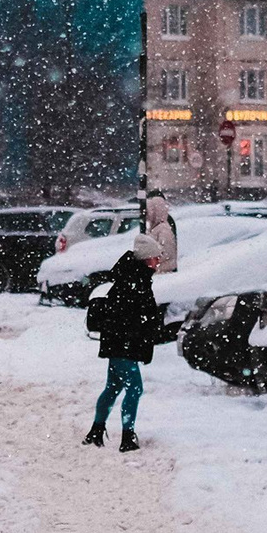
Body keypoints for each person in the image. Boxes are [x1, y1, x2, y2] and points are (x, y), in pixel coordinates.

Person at [85, 233, 165, 452]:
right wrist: (145, 329)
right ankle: (127, 437)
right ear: (145, 258)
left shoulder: (133, 277)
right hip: (123, 345)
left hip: (119, 344)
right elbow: (131, 316)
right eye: (155, 257)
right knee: (134, 389)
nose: (158, 261)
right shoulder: (134, 281)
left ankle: (96, 430)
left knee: (113, 387)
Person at [143, 192, 179, 273]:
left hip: (162, 274)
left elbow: (166, 253)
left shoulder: (163, 229)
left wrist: (148, 260)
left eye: (149, 211)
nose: (147, 214)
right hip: (159, 272)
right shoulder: (155, 229)